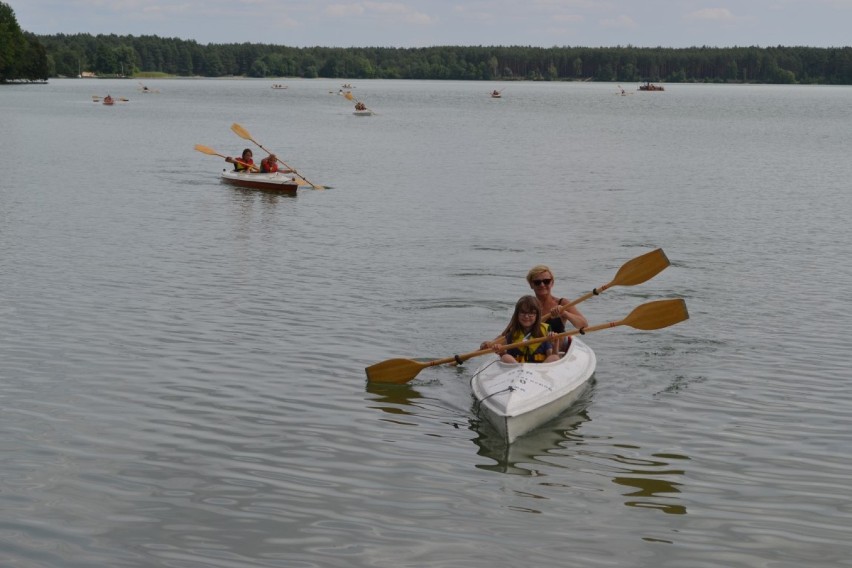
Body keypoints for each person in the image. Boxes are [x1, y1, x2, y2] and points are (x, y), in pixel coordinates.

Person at [526, 264, 588, 354]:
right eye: (537, 282)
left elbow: (584, 325)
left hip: (558, 348)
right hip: (534, 348)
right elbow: (510, 331)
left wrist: (565, 313)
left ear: (552, 283)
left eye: (546, 281)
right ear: (531, 285)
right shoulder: (527, 306)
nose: (542, 285)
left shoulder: (562, 303)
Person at [480, 295, 558, 364]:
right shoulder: (512, 332)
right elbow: (495, 346)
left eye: (531, 313)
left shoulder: (544, 330)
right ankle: (518, 368)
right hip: (517, 370)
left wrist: (556, 342)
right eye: (523, 313)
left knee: (554, 358)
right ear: (517, 314)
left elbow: (551, 355)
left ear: (537, 315)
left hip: (539, 370)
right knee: (505, 357)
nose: (526, 316)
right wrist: (491, 346)